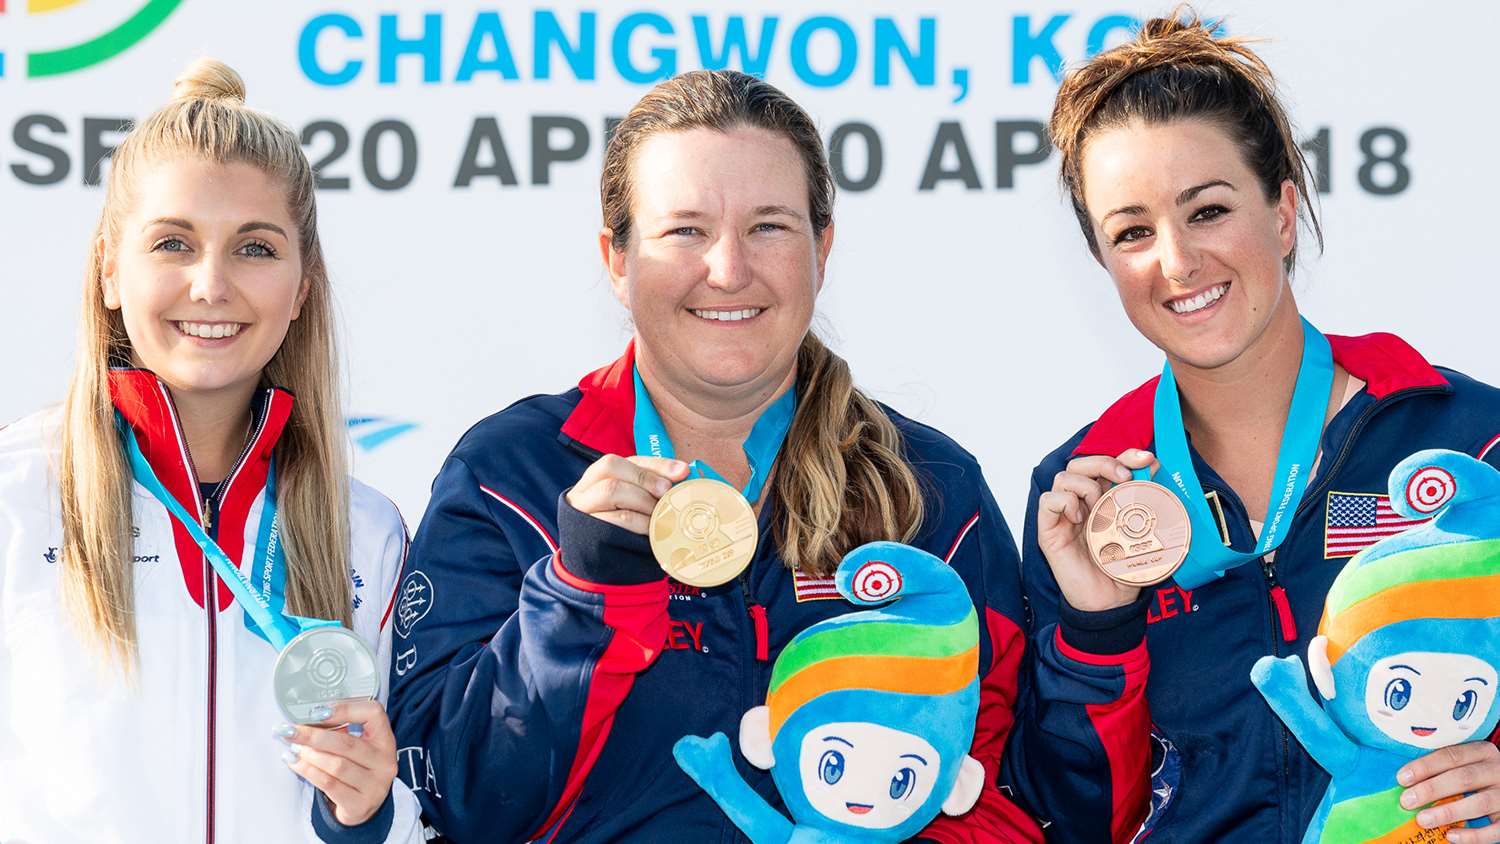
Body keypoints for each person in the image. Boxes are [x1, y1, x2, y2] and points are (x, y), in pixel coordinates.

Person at [387, 69, 1150, 843]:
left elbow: (1036, 805)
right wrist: (582, 599)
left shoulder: (930, 488)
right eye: (684, 229)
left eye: (769, 227)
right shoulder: (510, 477)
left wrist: (1096, 639)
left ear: (822, 246)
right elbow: (457, 803)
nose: (728, 268)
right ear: (617, 259)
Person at [1025, 12, 1500, 843]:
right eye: (1131, 232)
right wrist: (1096, 628)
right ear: (1104, 263)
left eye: (1206, 211)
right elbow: (1080, 816)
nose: (1176, 261)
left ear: (1282, 213)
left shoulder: (1470, 441)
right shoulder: (1086, 499)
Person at [0, 60, 423, 843]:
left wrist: (365, 815)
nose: (211, 284)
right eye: (173, 243)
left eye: (256, 249)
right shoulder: (16, 497)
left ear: (302, 289)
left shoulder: (369, 534)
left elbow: (415, 819)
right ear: (108, 271)